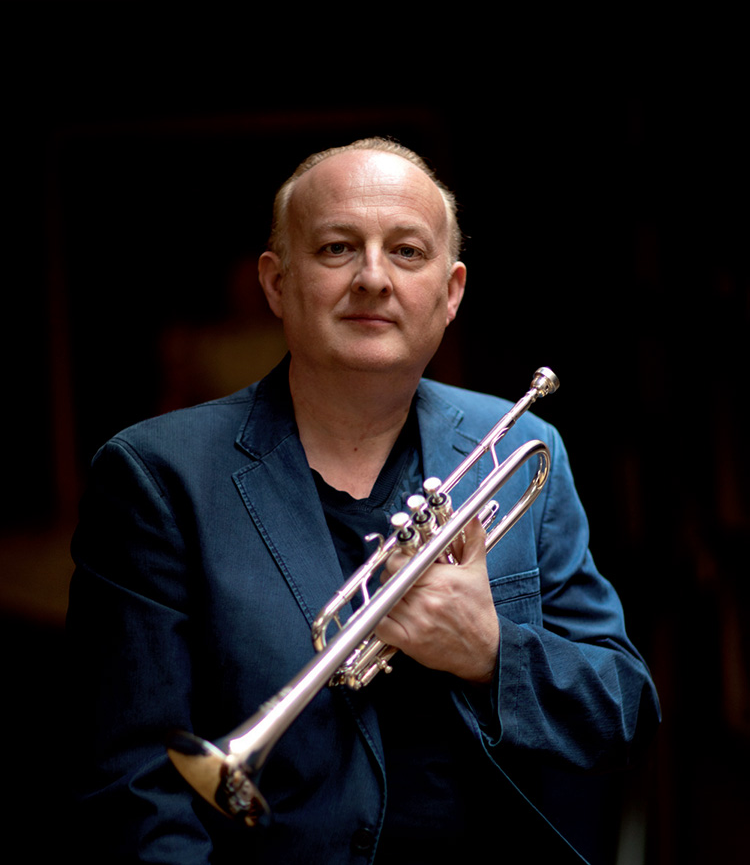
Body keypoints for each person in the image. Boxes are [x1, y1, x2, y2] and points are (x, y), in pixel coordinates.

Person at [66, 138, 660, 864]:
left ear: (451, 293)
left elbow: (622, 712)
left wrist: (490, 652)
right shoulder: (157, 476)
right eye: (337, 248)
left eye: (407, 252)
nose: (374, 278)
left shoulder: (524, 449)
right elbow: (132, 790)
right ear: (277, 283)